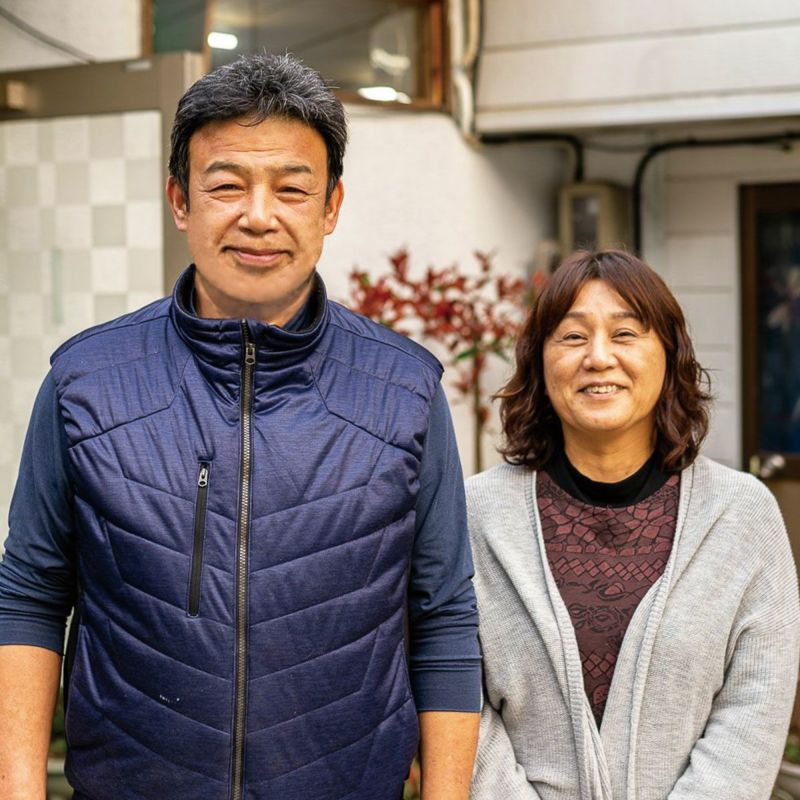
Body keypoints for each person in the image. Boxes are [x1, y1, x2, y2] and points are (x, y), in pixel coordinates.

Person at [0, 53, 480, 800]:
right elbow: (31, 593)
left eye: (292, 188)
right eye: (226, 185)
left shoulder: (404, 391)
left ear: (330, 206)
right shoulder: (85, 382)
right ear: (180, 200)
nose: (259, 216)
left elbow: (443, 613)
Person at [467, 249, 800, 799]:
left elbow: (755, 706)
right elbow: (459, 701)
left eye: (625, 334)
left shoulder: (743, 515)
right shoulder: (474, 515)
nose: (599, 357)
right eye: (573, 337)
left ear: (669, 354)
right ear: (539, 361)